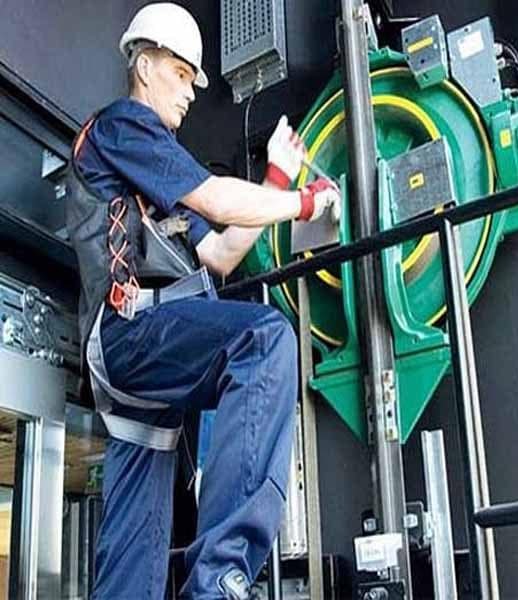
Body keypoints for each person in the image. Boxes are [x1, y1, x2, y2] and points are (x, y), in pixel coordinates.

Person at [65, 3, 340, 599]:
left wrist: (276, 177)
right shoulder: (123, 125)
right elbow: (216, 199)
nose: (191, 92)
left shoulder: (152, 172)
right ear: (144, 66)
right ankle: (221, 580)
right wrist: (305, 202)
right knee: (264, 340)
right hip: (130, 332)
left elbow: (219, 253)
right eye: (182, 73)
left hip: (140, 366)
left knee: (134, 548)